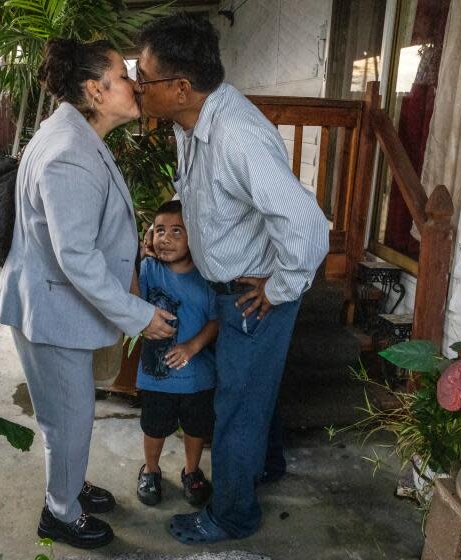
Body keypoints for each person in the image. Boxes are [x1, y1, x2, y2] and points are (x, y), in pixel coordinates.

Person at [135, 15, 330, 543]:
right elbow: (205, 198)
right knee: (250, 392)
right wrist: (173, 234)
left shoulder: (237, 135)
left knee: (236, 406)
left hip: (254, 293)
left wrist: (280, 286)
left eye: (143, 77)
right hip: (231, 284)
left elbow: (307, 226)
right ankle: (265, 467)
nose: (137, 87)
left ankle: (233, 515)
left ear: (180, 87)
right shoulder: (191, 123)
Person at [0, 37, 177, 550]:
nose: (136, 84)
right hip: (50, 311)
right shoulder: (70, 153)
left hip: (55, 306)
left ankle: (69, 485)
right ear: (96, 90)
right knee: (66, 419)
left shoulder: (76, 135)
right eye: (124, 75)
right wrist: (139, 314)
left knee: (71, 414)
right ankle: (60, 513)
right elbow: (76, 259)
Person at [134, 200, 219, 508]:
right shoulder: (148, 269)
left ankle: (192, 472)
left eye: (176, 232)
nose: (165, 238)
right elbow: (133, 305)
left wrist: (192, 347)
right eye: (159, 231)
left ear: (193, 236)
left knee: (196, 428)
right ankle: (151, 470)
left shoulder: (207, 275)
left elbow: (215, 320)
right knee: (154, 427)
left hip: (198, 376)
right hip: (158, 377)